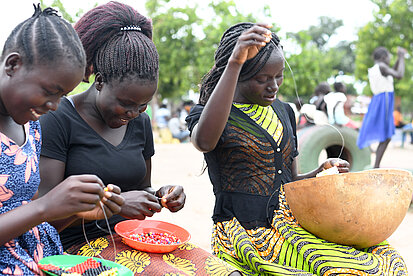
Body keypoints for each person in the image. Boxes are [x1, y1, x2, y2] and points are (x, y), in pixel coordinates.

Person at [186, 22, 407, 275]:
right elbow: (204, 142)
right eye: (262, 79)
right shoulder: (211, 116)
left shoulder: (284, 112)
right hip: (247, 236)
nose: (274, 85)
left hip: (291, 225)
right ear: (237, 76)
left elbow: (290, 183)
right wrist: (235, 61)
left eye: (278, 76)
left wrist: (321, 171)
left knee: (386, 259)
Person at [39, 2, 238, 275]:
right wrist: (112, 206)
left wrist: (161, 195)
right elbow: (44, 215)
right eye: (125, 103)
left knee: (225, 272)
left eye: (143, 105)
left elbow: (141, 187)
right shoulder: (58, 118)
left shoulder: (140, 123)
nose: (133, 113)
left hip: (135, 236)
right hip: (76, 246)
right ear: (99, 82)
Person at [0, 5, 124, 274]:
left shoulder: (30, 125)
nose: (55, 106)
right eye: (50, 91)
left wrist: (73, 211)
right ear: (12, 65)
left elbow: (26, 225)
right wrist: (45, 206)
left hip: (42, 261)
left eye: (63, 95)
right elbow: (36, 212)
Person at [357, 46, 407, 168]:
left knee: (387, 135)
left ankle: (376, 165)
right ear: (384, 57)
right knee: (387, 135)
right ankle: (376, 166)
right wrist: (401, 57)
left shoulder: (379, 68)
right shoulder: (381, 66)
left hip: (380, 99)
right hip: (384, 100)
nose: (390, 59)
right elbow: (399, 75)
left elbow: (393, 71)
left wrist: (398, 60)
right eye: (390, 56)